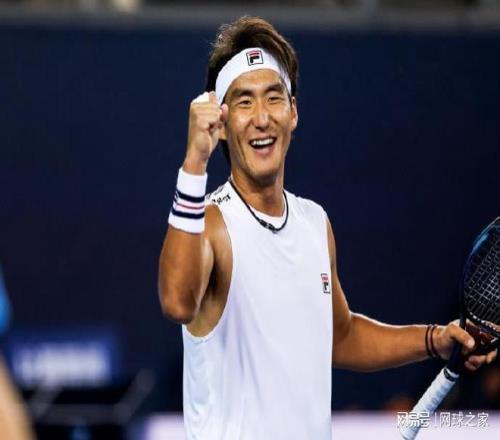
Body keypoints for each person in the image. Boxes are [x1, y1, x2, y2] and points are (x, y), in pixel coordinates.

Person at [158, 16, 497, 439]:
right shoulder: (211, 223)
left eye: (273, 98)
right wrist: (195, 162)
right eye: (244, 102)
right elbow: (177, 303)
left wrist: (435, 339)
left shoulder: (314, 223)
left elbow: (341, 336)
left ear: (293, 112)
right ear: (221, 123)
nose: (261, 118)